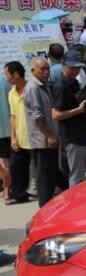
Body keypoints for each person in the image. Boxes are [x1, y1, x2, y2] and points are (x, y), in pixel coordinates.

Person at [52, 49, 86, 187]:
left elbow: (78, 103)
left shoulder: (74, 82)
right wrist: (79, 110)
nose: (76, 70)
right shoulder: (60, 86)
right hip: (72, 138)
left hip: (84, 134)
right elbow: (56, 115)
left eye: (78, 67)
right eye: (73, 67)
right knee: (77, 176)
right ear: (64, 65)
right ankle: (75, 204)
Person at [25, 57, 62, 207]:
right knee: (44, 175)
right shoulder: (33, 88)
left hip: (50, 137)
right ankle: (44, 206)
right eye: (42, 69)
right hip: (42, 140)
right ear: (33, 70)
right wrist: (49, 135)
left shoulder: (44, 85)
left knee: (52, 171)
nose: (46, 72)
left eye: (47, 68)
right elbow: (37, 116)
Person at [5, 61, 31, 204]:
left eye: (7, 74)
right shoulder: (11, 94)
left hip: (34, 137)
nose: (6, 78)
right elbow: (13, 116)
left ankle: (62, 187)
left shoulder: (32, 90)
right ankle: (19, 195)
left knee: (46, 168)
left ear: (16, 74)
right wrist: (13, 137)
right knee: (16, 167)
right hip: (20, 138)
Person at [0, 74, 11, 204]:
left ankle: (7, 188)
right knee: (6, 161)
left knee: (5, 161)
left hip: (5, 128)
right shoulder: (4, 80)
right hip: (6, 127)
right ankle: (7, 187)